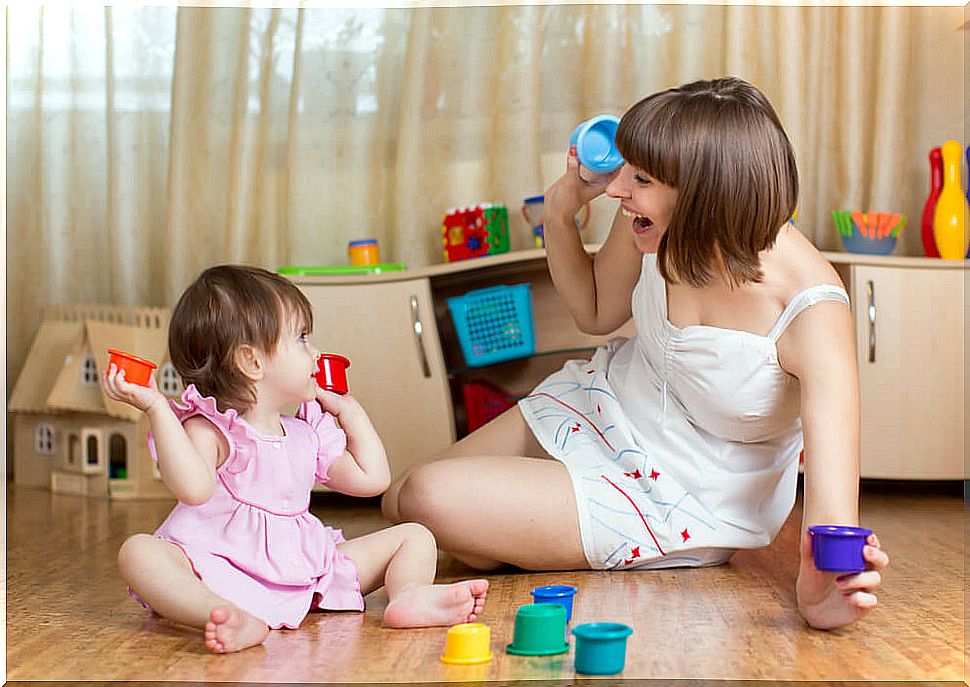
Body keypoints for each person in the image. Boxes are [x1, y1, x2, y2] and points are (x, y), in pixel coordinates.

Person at [383, 77, 889, 631]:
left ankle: (516, 531)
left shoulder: (812, 311)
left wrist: (822, 594)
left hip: (680, 492)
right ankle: (507, 534)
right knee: (399, 498)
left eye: (641, 178)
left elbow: (835, 507)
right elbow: (597, 312)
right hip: (606, 404)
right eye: (627, 167)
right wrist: (559, 213)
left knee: (428, 499)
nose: (617, 189)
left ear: (703, 194)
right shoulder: (655, 223)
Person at [103, 265, 488, 654]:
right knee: (139, 552)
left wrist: (350, 412)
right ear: (252, 362)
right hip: (219, 568)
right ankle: (220, 613)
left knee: (415, 536)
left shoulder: (307, 431)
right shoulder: (213, 430)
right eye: (302, 339)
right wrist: (156, 408)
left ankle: (408, 595)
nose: (316, 351)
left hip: (306, 567)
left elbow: (372, 479)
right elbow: (194, 489)